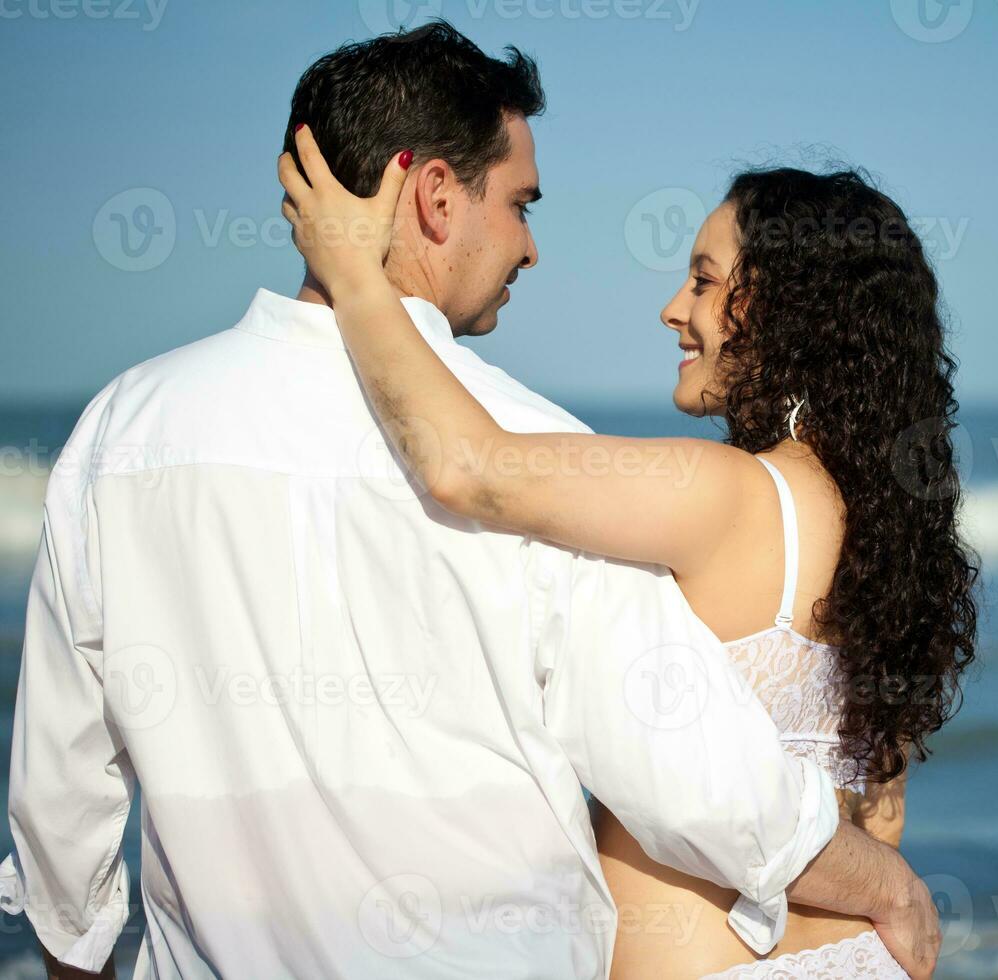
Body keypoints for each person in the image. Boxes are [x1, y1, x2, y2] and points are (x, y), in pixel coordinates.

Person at [0, 23, 940, 980]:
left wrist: (77, 967)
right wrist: (886, 885)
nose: (531, 248)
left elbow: (60, 792)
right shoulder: (548, 457)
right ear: (438, 199)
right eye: (521, 204)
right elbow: (691, 772)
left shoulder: (120, 434)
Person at [278, 52, 978, 980]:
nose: (671, 310)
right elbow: (880, 819)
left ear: (772, 305)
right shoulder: (878, 530)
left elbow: (469, 469)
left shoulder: (729, 493)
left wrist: (353, 277)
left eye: (702, 279)